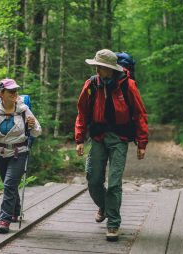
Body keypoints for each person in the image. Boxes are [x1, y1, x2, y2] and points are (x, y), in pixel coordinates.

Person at [74, 49, 148, 241]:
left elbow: (140, 114)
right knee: (93, 179)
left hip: (119, 139)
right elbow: (82, 112)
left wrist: (142, 142)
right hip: (98, 138)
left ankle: (113, 224)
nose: (98, 69)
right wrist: (79, 138)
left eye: (102, 67)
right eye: (97, 66)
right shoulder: (91, 84)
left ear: (111, 69)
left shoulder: (128, 85)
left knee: (114, 183)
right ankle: (105, 207)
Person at [0, 78, 41, 234]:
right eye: (11, 91)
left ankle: (4, 220)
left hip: (18, 153)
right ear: (1, 94)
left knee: (8, 185)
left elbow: (37, 132)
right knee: (10, 187)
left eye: (16, 91)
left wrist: (32, 125)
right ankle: (15, 210)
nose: (15, 93)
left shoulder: (23, 110)